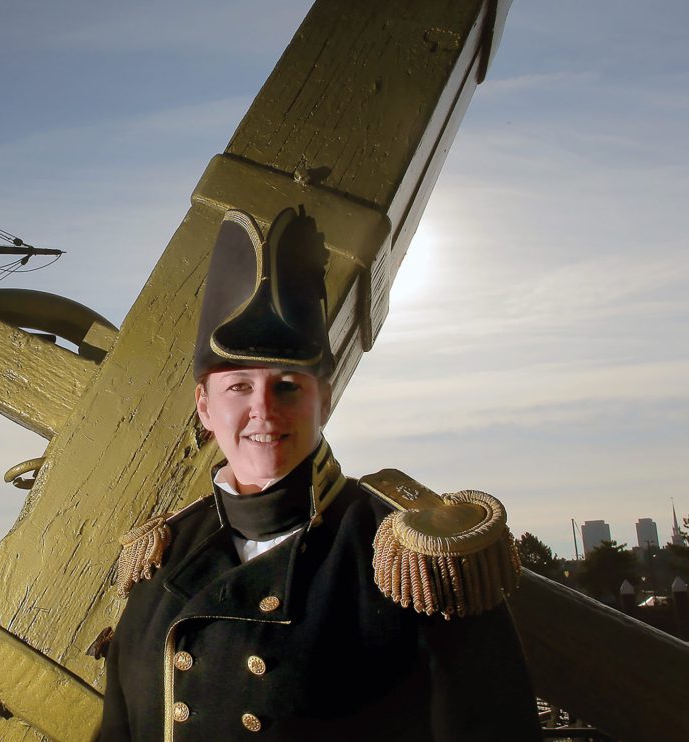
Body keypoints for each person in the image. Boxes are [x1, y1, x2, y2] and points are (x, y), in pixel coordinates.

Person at [98, 207, 539, 741]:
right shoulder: (159, 558)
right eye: (238, 387)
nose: (264, 410)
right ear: (205, 407)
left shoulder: (413, 561)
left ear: (323, 401)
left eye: (287, 386)